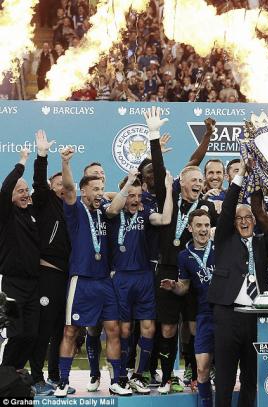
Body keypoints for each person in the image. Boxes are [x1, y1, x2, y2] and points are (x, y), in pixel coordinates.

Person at [145, 107, 219, 394]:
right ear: (182, 184)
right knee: (167, 328)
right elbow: (174, 164)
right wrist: (153, 136)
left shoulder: (207, 208)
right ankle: (166, 377)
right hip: (167, 267)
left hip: (195, 269)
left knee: (193, 326)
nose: (200, 183)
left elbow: (197, 163)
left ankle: (191, 368)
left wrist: (209, 135)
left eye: (201, 181)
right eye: (195, 180)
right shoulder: (170, 197)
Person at [207, 160, 268, 407]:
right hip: (227, 315)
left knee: (251, 377)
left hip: (256, 318)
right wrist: (240, 174)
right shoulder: (223, 240)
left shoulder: (262, 244)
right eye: (239, 218)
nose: (244, 221)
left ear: (255, 221)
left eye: (249, 217)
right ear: (233, 223)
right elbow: (230, 207)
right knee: (224, 378)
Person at [54, 147, 131, 397]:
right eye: (94, 189)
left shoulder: (104, 212)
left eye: (101, 189)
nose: (99, 193)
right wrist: (65, 162)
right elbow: (67, 188)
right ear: (84, 190)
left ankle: (117, 380)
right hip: (82, 281)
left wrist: (129, 182)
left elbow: (117, 204)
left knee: (113, 330)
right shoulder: (75, 210)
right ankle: (63, 382)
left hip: (104, 282)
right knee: (70, 331)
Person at [105, 171, 173, 394]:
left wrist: (170, 190)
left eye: (138, 195)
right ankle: (122, 375)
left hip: (144, 277)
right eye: (130, 195)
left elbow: (165, 219)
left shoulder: (146, 214)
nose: (135, 200)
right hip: (121, 277)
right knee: (124, 330)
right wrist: (124, 190)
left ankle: (139, 375)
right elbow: (113, 208)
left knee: (148, 328)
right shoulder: (113, 214)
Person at [28, 131, 71, 395]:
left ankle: (54, 376)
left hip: (70, 277)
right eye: (57, 183)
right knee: (43, 328)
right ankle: (36, 377)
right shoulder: (45, 203)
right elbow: (38, 183)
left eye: (64, 183)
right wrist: (42, 156)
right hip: (48, 274)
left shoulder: (74, 208)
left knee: (60, 329)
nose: (62, 186)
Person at [160, 209, 216, 406]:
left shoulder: (222, 248)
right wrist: (174, 286)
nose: (203, 230)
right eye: (199, 225)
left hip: (227, 314)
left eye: (207, 225)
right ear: (190, 228)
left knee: (227, 367)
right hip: (205, 315)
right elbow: (184, 287)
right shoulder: (184, 256)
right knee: (202, 368)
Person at [0, 148, 40, 370]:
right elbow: (5, 189)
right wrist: (22, 162)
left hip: (33, 286)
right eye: (20, 191)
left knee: (31, 335)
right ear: (11, 196)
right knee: (16, 334)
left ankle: (15, 373)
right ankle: (4, 377)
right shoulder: (5, 215)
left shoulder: (32, 213)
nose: (25, 194)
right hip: (12, 287)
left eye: (27, 190)